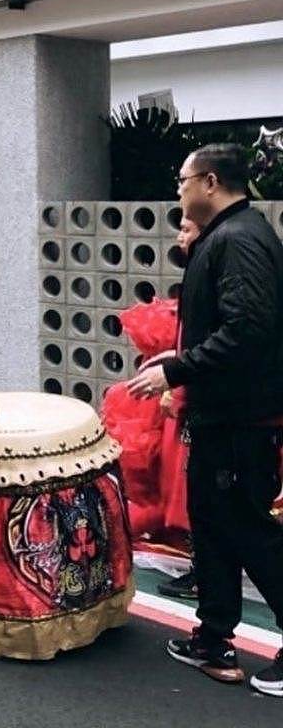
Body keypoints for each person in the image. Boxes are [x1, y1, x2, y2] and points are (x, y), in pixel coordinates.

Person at [127, 144, 283, 695]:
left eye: (182, 179)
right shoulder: (228, 236)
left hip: (243, 419)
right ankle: (212, 638)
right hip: (222, 414)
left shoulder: (238, 239)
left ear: (210, 182)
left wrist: (178, 370)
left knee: (249, 529)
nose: (178, 189)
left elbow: (248, 330)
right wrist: (180, 362)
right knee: (213, 528)